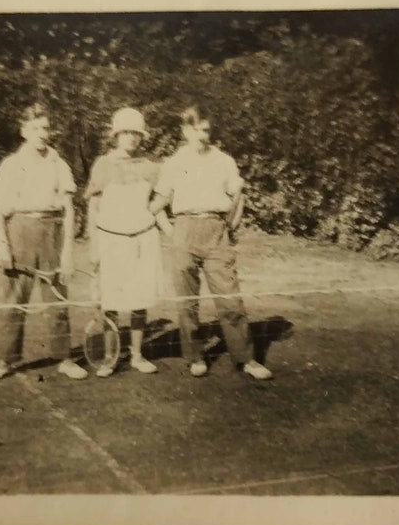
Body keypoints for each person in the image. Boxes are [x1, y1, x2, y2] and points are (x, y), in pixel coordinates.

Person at [149, 105, 273, 380]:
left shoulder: (224, 160)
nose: (200, 135)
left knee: (229, 298)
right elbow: (158, 203)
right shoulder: (173, 162)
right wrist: (169, 230)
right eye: (194, 129)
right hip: (184, 230)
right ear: (185, 131)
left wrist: (232, 226)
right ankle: (195, 356)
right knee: (187, 302)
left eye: (205, 129)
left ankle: (246, 359)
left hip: (217, 231)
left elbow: (237, 195)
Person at [0, 103, 88, 381]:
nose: (42, 133)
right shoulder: (11, 164)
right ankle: (6, 360)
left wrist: (67, 252)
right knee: (15, 301)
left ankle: (64, 358)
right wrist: (3, 246)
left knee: (57, 300)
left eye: (45, 128)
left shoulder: (59, 163)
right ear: (24, 130)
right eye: (35, 128)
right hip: (19, 231)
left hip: (51, 232)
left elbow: (69, 210)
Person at [85, 107, 170, 378]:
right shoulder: (103, 164)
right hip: (111, 240)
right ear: (116, 135)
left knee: (139, 298)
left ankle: (136, 355)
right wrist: (94, 243)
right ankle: (110, 357)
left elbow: (163, 198)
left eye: (136, 133)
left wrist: (149, 214)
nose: (132, 138)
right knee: (110, 299)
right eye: (126, 133)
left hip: (143, 239)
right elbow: (93, 206)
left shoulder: (151, 166)